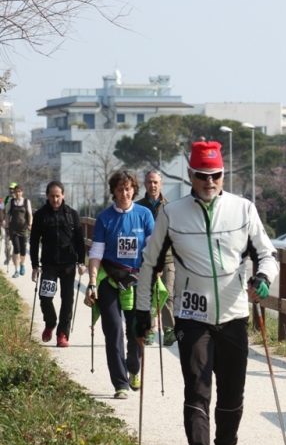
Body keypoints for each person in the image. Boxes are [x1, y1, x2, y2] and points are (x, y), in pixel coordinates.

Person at [135, 140, 278, 445]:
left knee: (232, 397)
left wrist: (263, 279)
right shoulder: (172, 214)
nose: (209, 181)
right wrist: (141, 313)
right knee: (197, 391)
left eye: (215, 175)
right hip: (192, 317)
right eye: (202, 175)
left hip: (233, 317)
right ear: (190, 176)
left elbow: (268, 254)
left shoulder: (243, 210)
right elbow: (149, 265)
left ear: (223, 174)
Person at [84, 170, 154, 399]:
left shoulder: (144, 215)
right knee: (112, 330)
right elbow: (96, 252)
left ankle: (134, 367)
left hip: (136, 280)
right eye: (119, 189)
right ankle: (120, 383)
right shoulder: (105, 218)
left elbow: (153, 248)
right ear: (113, 191)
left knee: (136, 329)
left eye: (128, 188)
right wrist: (92, 282)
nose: (124, 193)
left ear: (134, 189)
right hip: (110, 280)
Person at [30, 180, 87, 347]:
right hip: (48, 263)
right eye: (52, 196)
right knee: (45, 297)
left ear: (63, 195)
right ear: (47, 196)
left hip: (68, 263)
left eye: (58, 196)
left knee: (67, 299)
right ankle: (50, 323)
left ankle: (62, 333)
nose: (55, 199)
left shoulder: (72, 214)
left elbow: (79, 240)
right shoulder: (40, 215)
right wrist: (35, 265)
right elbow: (34, 241)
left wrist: (81, 262)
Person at [135, 169, 176, 346]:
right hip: (145, 258)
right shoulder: (137, 207)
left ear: (161, 184)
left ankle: (168, 329)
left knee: (166, 293)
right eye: (149, 182)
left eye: (155, 182)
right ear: (145, 184)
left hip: (167, 258)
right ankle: (150, 330)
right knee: (148, 294)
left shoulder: (170, 207)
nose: (152, 185)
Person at [6, 184, 32, 277]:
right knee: (16, 249)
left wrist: (30, 224)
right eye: (16, 191)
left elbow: (29, 214)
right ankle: (16, 270)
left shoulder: (26, 202)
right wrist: (7, 227)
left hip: (24, 229)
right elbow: (8, 215)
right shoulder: (11, 202)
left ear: (22, 192)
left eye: (19, 191)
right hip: (14, 229)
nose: (17, 193)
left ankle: (22, 264)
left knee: (23, 250)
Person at [2, 183, 16, 266]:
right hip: (7, 224)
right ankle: (7, 257)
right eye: (10, 188)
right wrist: (2, 220)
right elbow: (2, 210)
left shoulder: (19, 200)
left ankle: (15, 258)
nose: (11, 190)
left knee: (16, 243)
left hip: (16, 225)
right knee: (7, 243)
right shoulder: (6, 199)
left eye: (13, 189)